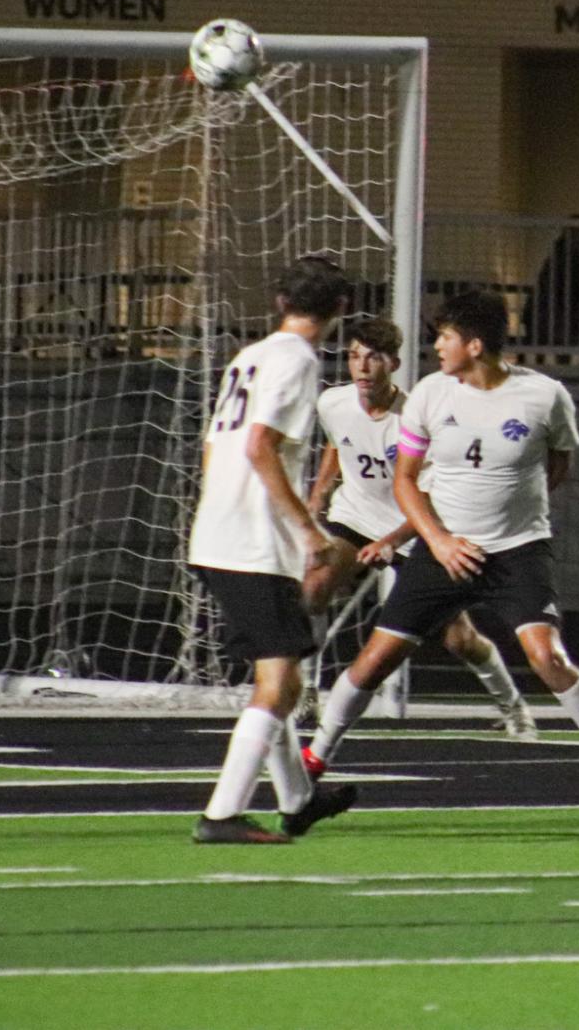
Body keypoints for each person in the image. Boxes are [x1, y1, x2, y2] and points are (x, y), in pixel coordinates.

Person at [304, 290, 579, 800]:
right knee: (375, 660)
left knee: (547, 656)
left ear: (474, 344)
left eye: (445, 337)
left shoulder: (545, 396)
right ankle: (316, 756)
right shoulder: (429, 394)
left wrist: (511, 512)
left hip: (517, 550)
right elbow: (405, 482)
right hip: (443, 550)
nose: (437, 346)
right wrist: (440, 541)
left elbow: (557, 466)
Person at [186, 255, 358, 845]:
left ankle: (299, 801)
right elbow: (261, 445)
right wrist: (309, 532)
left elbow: (218, 448)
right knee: (281, 686)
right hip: (253, 543)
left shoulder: (248, 356)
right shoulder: (298, 361)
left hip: (219, 533)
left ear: (281, 302)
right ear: (341, 309)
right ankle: (221, 815)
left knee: (276, 675)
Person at [303, 317, 537, 742]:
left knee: (459, 639)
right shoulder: (332, 403)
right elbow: (339, 442)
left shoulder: (415, 418)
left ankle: (514, 708)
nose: (361, 367)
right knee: (315, 585)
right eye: (354, 356)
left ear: (392, 362)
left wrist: (392, 542)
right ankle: (305, 692)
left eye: (373, 357)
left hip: (412, 527)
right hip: (355, 515)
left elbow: (429, 496)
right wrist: (319, 494)